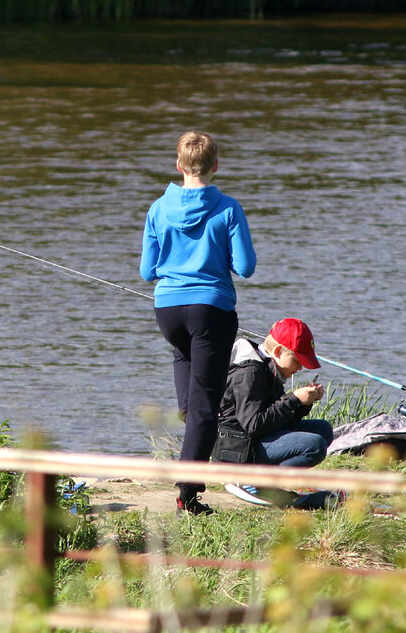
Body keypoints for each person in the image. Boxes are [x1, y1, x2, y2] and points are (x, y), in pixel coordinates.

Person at [140, 130, 257, 516]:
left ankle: (193, 419)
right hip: (211, 310)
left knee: (191, 385)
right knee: (207, 403)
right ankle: (186, 495)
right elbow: (246, 267)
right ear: (216, 166)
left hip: (168, 311)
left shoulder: (158, 207)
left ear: (178, 165)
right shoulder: (227, 207)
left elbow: (146, 271)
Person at [214, 318, 337, 509]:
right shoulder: (250, 373)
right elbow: (254, 425)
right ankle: (253, 482)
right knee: (314, 445)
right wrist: (293, 399)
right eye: (297, 360)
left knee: (324, 430)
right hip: (238, 450)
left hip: (254, 439)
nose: (300, 367)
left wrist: (304, 403)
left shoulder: (271, 368)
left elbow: (276, 418)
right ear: (278, 351)